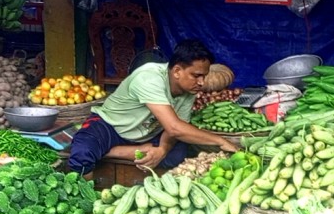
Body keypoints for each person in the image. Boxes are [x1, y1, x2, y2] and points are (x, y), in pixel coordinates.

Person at [69, 39, 239, 174]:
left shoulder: (188, 89)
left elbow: (176, 127)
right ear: (177, 71)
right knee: (82, 153)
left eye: (204, 76)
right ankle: (118, 151)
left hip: (149, 133)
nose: (202, 82)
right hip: (112, 126)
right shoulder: (149, 77)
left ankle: (123, 150)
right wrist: (220, 141)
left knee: (176, 154)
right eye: (197, 75)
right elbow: (174, 127)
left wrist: (163, 150)